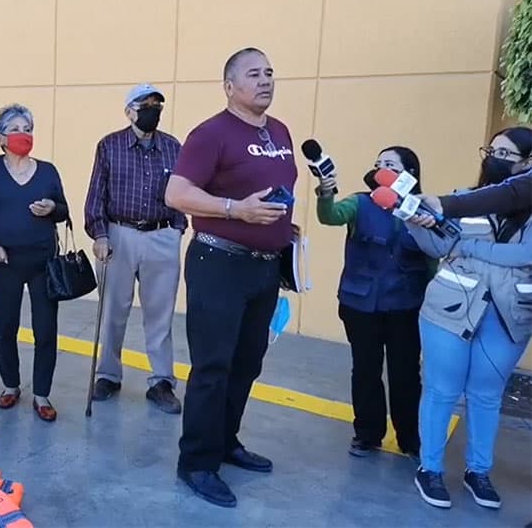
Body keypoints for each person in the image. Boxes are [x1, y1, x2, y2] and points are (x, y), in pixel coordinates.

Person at [164, 47, 297, 507]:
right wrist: (234, 210)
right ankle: (197, 463)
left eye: (270, 72)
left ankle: (225, 442)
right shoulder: (211, 134)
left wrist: (284, 227)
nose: (265, 80)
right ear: (230, 86)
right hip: (218, 264)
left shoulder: (280, 132)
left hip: (264, 267)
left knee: (247, 364)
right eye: (254, 73)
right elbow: (176, 193)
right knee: (213, 367)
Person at [406, 126, 532, 511]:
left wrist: (469, 245)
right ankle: (429, 469)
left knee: (486, 395)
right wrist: (415, 221)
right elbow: (437, 246)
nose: (492, 158)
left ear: (528, 164)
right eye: (490, 150)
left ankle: (478, 471)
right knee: (442, 390)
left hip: (509, 318)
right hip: (448, 312)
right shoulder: (463, 199)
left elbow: (524, 255)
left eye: (505, 154)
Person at [316, 146, 432, 459]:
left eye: (391, 164)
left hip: (405, 304)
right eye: (379, 163)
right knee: (365, 369)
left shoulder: (423, 210)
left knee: (405, 372)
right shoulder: (360, 203)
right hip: (360, 302)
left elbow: (432, 258)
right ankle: (367, 433)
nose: (382, 168)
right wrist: (325, 194)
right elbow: (329, 216)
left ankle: (411, 437)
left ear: (410, 175)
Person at [83, 83, 186, 413]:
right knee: (113, 311)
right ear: (129, 111)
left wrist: (177, 231)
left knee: (160, 315)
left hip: (161, 235)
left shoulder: (173, 147)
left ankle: (160, 381)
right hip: (119, 234)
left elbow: (184, 191)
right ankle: (109, 375)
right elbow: (96, 194)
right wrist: (99, 234)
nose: (152, 109)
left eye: (157, 104)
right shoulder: (109, 146)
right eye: (145, 104)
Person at [0, 104, 69, 422]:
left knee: (46, 329)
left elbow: (64, 212)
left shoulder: (48, 171)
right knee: (6, 327)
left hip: (43, 260)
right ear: (0, 138)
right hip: (5, 260)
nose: (23, 135)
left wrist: (52, 207)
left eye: (28, 129)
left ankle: (42, 394)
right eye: (15, 130)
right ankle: (11, 386)